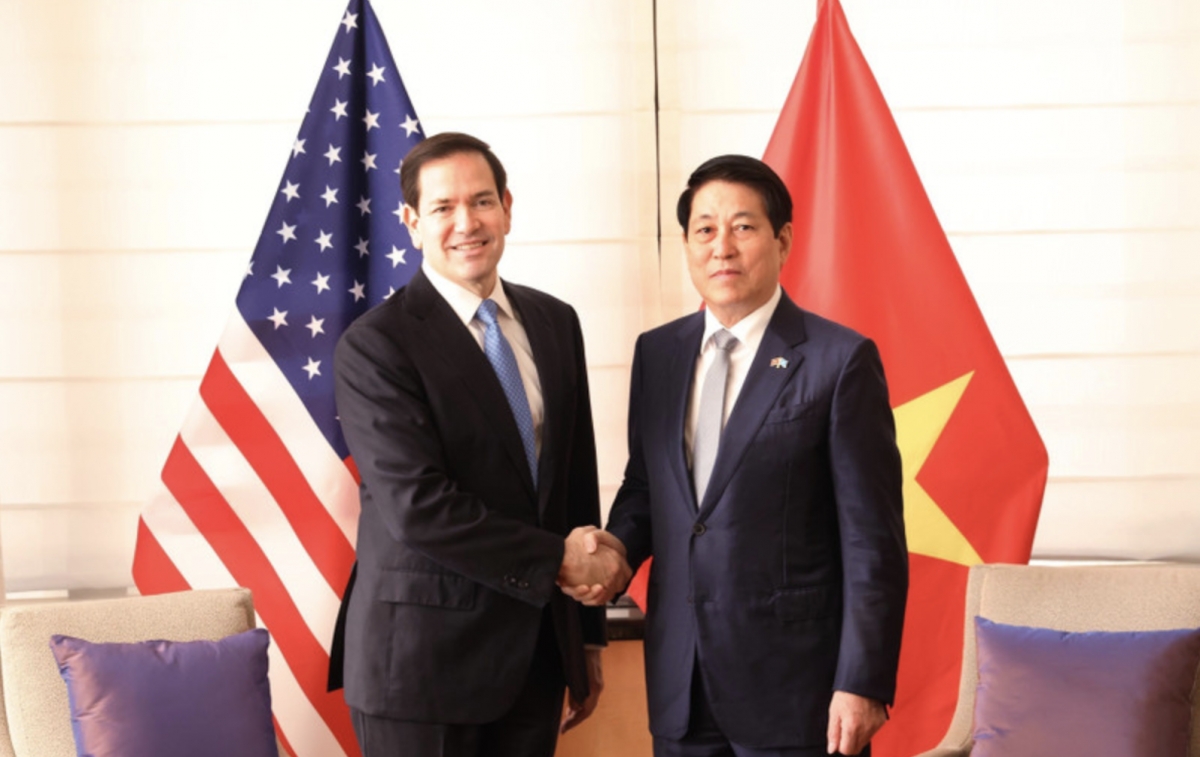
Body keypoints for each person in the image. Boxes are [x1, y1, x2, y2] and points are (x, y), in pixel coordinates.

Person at [575, 155, 907, 756]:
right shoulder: (659, 354)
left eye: (743, 227)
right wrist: (617, 549)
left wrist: (861, 682)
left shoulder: (839, 360)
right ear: (686, 243)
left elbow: (871, 540)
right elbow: (650, 488)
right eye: (704, 229)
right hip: (682, 682)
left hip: (798, 692)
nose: (721, 247)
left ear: (782, 239)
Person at [329, 131, 630, 757]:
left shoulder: (554, 323)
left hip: (536, 663)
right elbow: (420, 505)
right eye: (442, 208)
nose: (466, 222)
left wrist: (587, 639)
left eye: (482, 201)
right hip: (420, 670)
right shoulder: (376, 345)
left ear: (508, 208)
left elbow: (572, 484)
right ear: (412, 222)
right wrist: (560, 563)